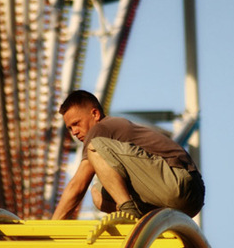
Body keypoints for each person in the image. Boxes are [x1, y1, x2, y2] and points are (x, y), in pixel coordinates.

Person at [51, 90, 205, 220]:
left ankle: (128, 212)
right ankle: (139, 217)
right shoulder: (112, 130)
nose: (74, 132)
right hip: (187, 203)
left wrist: (50, 230)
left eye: (77, 123)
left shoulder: (101, 129)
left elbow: (77, 186)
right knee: (98, 194)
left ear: (95, 114)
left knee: (94, 148)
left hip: (181, 182)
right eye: (70, 128)